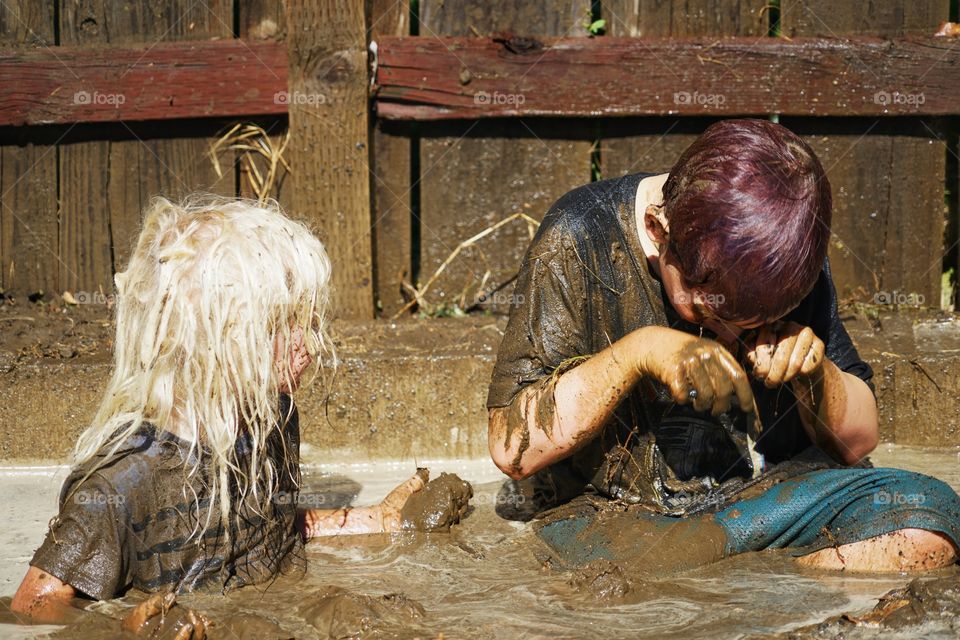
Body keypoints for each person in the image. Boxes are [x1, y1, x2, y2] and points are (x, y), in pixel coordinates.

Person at [487, 118, 960, 573]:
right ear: (656, 229)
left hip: (766, 503)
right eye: (708, 313)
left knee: (929, 521)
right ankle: (742, 579)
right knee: (619, 578)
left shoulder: (782, 251)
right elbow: (512, 451)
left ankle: (749, 578)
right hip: (622, 520)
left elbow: (858, 443)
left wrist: (815, 374)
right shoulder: (577, 237)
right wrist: (638, 353)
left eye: (756, 324)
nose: (730, 337)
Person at [10, 197, 468, 636]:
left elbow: (275, 530)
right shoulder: (119, 486)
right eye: (285, 325)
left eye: (310, 321)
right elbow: (33, 607)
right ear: (211, 336)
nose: (310, 343)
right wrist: (134, 628)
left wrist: (378, 519)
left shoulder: (273, 418)